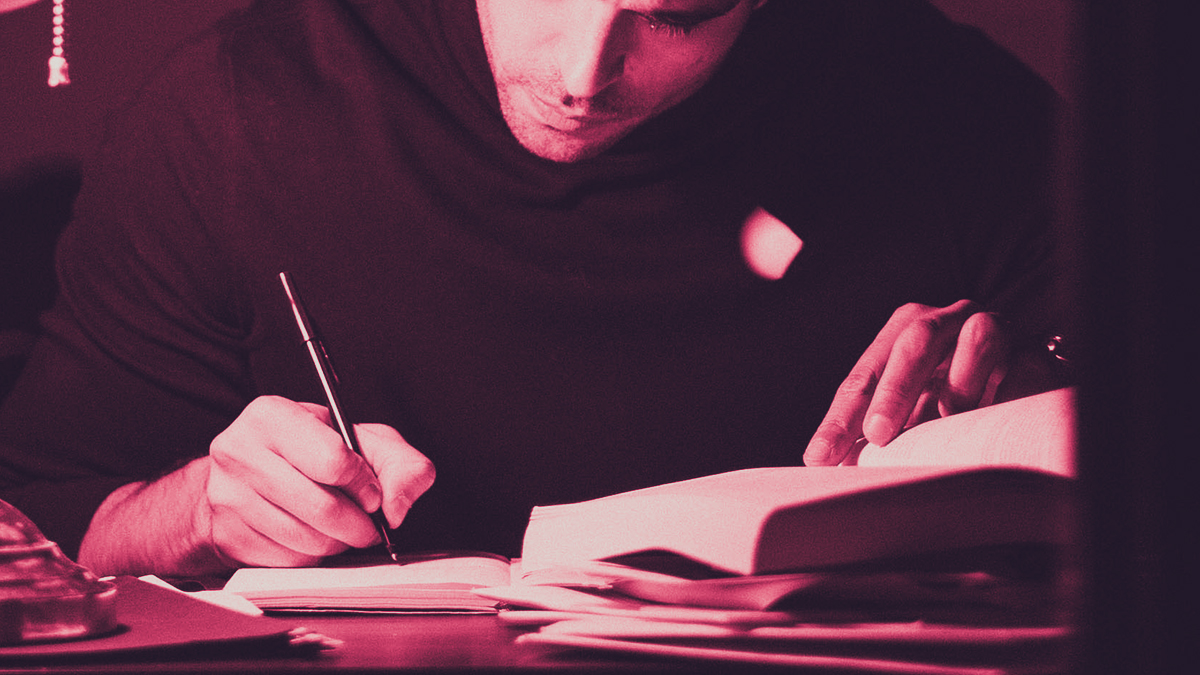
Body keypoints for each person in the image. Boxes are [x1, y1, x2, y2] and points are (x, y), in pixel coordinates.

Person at [0, 0, 1065, 577]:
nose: (581, 72)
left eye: (675, 16)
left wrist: (1034, 411)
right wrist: (195, 508)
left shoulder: (949, 110)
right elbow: (45, 526)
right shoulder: (238, 110)